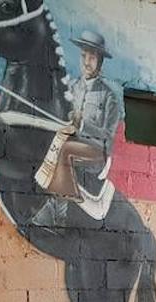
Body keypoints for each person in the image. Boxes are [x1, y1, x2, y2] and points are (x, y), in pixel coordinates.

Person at [31, 29, 123, 225]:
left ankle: (59, 213)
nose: (86, 62)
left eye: (92, 57)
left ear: (100, 61)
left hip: (97, 152)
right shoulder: (72, 88)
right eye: (83, 56)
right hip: (71, 141)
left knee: (65, 150)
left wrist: (83, 125)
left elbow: (108, 135)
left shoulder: (109, 97)